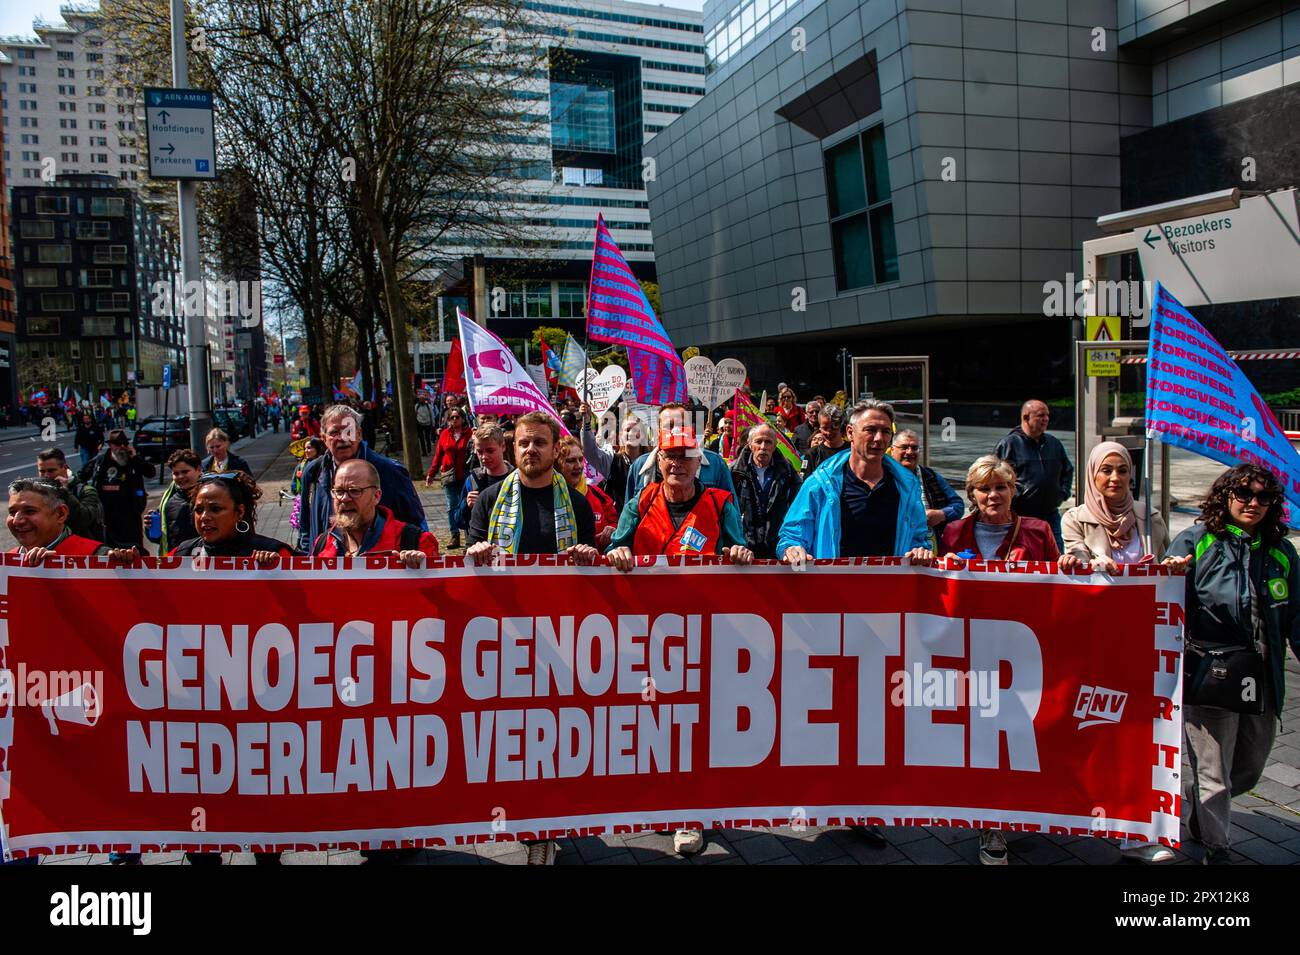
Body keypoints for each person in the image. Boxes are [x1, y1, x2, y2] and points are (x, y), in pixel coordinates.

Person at [466, 412, 597, 866]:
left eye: (540, 442)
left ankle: (543, 826)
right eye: (523, 443)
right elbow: (470, 569)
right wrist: (475, 553)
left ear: (554, 448)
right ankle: (529, 821)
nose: (530, 451)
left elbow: (589, 576)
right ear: (512, 445)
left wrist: (589, 556)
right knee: (513, 739)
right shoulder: (487, 501)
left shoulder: (577, 505)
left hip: (561, 643)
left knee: (552, 739)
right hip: (506, 640)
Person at [1163, 464, 1300, 865]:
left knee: (1248, 770)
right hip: (1210, 674)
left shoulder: (1282, 551)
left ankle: (1200, 804)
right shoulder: (1197, 541)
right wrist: (1170, 575)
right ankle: (1216, 847)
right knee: (1213, 773)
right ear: (1225, 497)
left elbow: (1297, 617)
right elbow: (1166, 607)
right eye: (1243, 494)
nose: (1252, 503)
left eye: (1263, 497)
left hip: (1264, 677)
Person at [937, 454, 1058, 865]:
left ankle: (1021, 808)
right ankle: (992, 826)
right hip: (971, 654)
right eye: (984, 488)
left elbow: (1062, 588)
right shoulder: (952, 533)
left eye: (1001, 487)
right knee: (984, 741)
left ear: (1013, 491)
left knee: (1024, 735)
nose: (993, 495)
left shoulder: (1039, 532)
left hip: (1025, 653)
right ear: (971, 494)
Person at [778, 400, 932, 564]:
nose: (879, 438)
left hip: (890, 587)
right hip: (834, 587)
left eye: (886, 431)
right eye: (871, 430)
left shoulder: (906, 486)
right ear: (850, 432)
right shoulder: (820, 484)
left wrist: (920, 550)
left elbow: (918, 538)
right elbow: (793, 535)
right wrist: (791, 548)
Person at [298, 405, 426, 552]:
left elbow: (416, 526)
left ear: (359, 434)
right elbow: (305, 526)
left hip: (380, 567)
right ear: (324, 438)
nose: (342, 438)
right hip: (327, 566)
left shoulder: (390, 471)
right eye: (335, 432)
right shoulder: (313, 472)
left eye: (349, 431)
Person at [1062, 441, 1169, 574]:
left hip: (1146, 594)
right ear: (1092, 475)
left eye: (1123, 471)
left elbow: (1165, 563)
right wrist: (1089, 564)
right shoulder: (1075, 519)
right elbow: (1079, 562)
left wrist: (1173, 563)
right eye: (1106, 470)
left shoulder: (1150, 517)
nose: (1115, 478)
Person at [311, 459, 438, 564]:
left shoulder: (414, 541)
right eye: (338, 492)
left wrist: (423, 570)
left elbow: (443, 591)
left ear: (376, 496)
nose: (344, 498)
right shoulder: (323, 543)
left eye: (354, 491)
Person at [994, 399, 1074, 550]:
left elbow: (1067, 470)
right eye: (1040, 416)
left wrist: (1062, 493)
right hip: (1020, 516)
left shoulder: (1053, 444)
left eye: (1047, 415)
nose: (1046, 419)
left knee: (1056, 556)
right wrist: (1015, 497)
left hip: (1050, 515)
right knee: (1021, 556)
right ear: (1026, 417)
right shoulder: (1009, 444)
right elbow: (995, 478)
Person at [626, 403, 736, 502]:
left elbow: (731, 514)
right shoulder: (639, 466)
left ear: (691, 429)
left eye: (682, 425)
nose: (676, 430)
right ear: (659, 432)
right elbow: (630, 516)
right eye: (669, 426)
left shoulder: (715, 464)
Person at [5, 478, 123, 563]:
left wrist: (125, 565)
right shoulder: (7, 562)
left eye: (30, 511)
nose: (17, 521)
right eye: (12, 512)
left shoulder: (98, 557)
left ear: (61, 514)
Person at [79, 428, 156, 552]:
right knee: (108, 553)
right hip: (106, 517)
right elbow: (81, 476)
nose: (121, 447)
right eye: (117, 444)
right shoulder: (101, 461)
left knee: (134, 551)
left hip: (130, 516)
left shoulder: (132, 460)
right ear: (110, 445)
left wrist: (135, 458)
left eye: (124, 444)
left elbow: (150, 472)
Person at [730, 423, 799, 558]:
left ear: (774, 445)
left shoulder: (788, 472)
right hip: (744, 549)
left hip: (779, 548)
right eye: (758, 441)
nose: (763, 447)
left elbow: (797, 508)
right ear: (749, 444)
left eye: (768, 442)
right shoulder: (734, 472)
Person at [889, 430, 963, 548]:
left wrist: (941, 514)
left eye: (914, 448)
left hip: (929, 547)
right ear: (892, 451)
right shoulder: (884, 475)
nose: (909, 452)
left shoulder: (930, 476)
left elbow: (958, 505)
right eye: (904, 447)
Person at [580, 408, 648, 516]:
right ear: (620, 435)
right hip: (619, 525)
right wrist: (587, 422)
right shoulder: (612, 461)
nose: (631, 433)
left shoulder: (651, 461)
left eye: (636, 429)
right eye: (627, 430)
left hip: (646, 522)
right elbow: (590, 451)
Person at [557, 434, 618, 549]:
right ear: (558, 463)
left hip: (595, 564)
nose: (578, 466)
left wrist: (612, 531)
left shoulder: (598, 494)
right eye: (571, 461)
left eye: (581, 459)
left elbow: (615, 524)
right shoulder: (549, 496)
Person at [425, 405, 471, 549]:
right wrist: (431, 474)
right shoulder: (445, 434)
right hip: (448, 475)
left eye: (458, 417)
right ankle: (454, 535)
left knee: (466, 504)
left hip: (465, 475)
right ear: (448, 419)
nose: (455, 420)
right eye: (452, 417)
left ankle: (469, 534)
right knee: (452, 506)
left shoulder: (470, 433)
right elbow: (438, 455)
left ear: (463, 418)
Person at [36, 447, 104, 542]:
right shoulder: (38, 493)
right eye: (42, 471)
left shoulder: (85, 491)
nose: (46, 476)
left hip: (80, 549)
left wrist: (65, 492)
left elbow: (84, 519)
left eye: (51, 471)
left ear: (65, 468)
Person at [144, 449, 202, 556]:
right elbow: (161, 539)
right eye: (176, 473)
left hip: (206, 563)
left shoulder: (211, 496)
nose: (180, 477)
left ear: (198, 470)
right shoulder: (168, 501)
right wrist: (150, 528)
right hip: (176, 564)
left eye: (185, 472)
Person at [803, 405, 848, 476]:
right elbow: (805, 483)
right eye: (825, 428)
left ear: (842, 427)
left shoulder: (852, 450)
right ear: (819, 428)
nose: (829, 433)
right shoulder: (812, 454)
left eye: (833, 428)